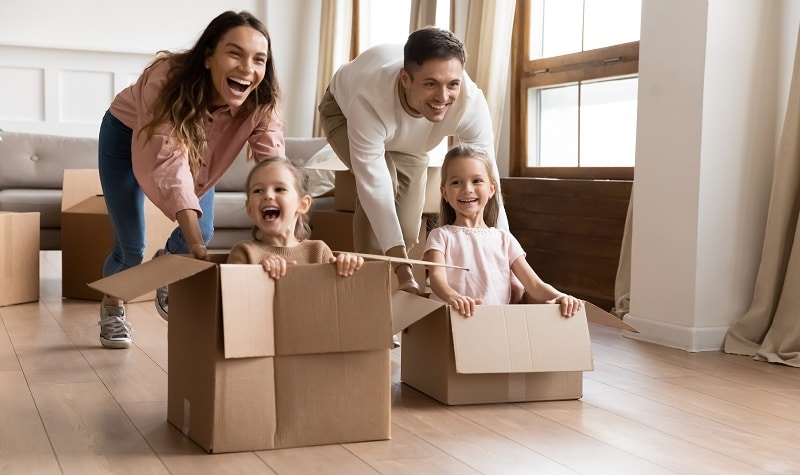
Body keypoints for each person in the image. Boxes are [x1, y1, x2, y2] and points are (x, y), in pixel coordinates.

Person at [97, 10, 284, 349]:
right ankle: (113, 306)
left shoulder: (260, 102)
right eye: (235, 53)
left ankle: (165, 266)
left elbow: (274, 163)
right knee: (131, 247)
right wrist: (194, 248)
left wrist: (289, 223)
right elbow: (169, 163)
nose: (248, 69)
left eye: (259, 59)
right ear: (209, 56)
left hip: (195, 148)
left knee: (204, 230)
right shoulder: (166, 80)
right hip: (126, 138)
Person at [318, 26, 509, 296]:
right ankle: (367, 302)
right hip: (343, 112)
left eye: (452, 84)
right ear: (405, 79)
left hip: (411, 141)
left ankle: (394, 287)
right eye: (430, 83)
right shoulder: (369, 99)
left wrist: (508, 253)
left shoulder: (471, 102)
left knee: (406, 230)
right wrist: (403, 271)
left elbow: (488, 179)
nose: (443, 98)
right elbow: (376, 188)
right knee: (386, 183)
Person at [423, 144, 583, 318]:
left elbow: (534, 284)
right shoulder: (440, 236)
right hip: (452, 320)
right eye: (456, 182)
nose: (467, 189)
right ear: (444, 192)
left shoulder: (504, 239)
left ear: (492, 189)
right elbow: (437, 278)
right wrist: (453, 296)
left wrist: (560, 296)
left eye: (476, 181)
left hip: (495, 325)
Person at [226, 157, 364, 278]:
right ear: (249, 208)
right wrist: (258, 274)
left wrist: (346, 266)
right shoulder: (244, 252)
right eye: (258, 190)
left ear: (302, 205)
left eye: (279, 189)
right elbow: (231, 298)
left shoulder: (318, 250)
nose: (267, 195)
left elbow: (332, 296)